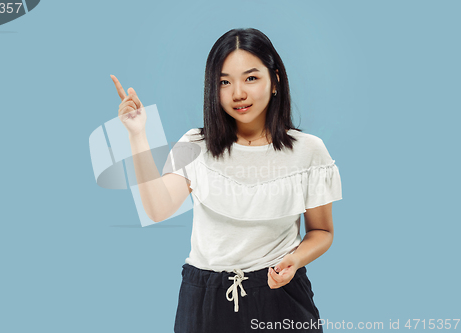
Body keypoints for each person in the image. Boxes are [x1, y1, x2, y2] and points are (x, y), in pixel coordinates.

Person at [111, 28, 342, 333]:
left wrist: (295, 260)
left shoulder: (309, 150)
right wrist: (137, 135)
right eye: (224, 82)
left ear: (275, 81)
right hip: (205, 300)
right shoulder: (193, 144)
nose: (238, 94)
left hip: (278, 293)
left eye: (250, 78)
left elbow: (322, 230)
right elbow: (157, 209)